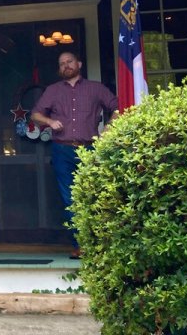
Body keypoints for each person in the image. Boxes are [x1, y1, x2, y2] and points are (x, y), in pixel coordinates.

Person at [30, 52, 118, 258]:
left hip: (90, 149)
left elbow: (118, 107)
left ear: (79, 64)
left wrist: (108, 130)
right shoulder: (52, 91)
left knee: (95, 195)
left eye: (69, 62)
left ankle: (101, 244)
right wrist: (50, 122)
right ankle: (81, 244)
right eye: (61, 64)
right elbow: (35, 114)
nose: (66, 66)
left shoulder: (96, 88)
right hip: (62, 149)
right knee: (70, 198)